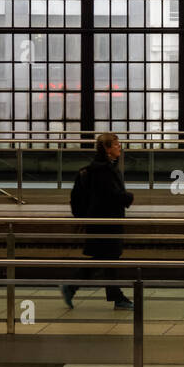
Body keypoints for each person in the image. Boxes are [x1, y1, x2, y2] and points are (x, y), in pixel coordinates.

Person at [63, 133, 134, 311]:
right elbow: (111, 196)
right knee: (107, 257)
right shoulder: (103, 171)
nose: (120, 147)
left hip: (104, 220)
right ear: (107, 149)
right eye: (116, 145)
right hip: (105, 221)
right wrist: (128, 197)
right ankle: (115, 297)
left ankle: (75, 288)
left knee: (105, 258)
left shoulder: (103, 168)